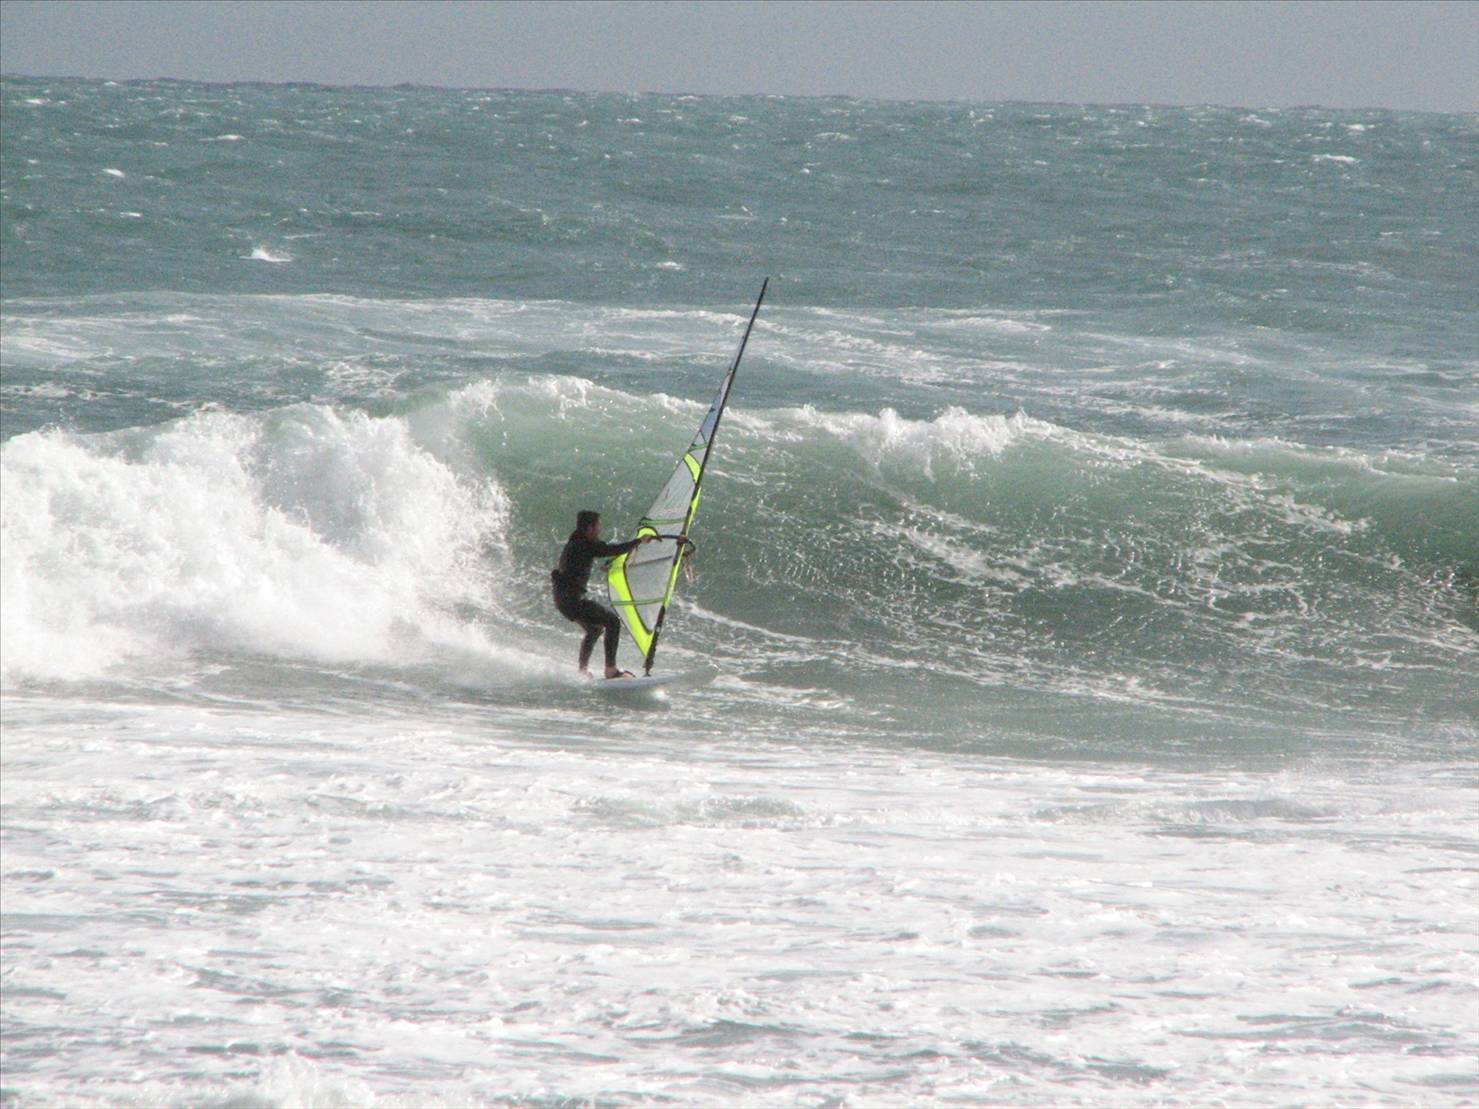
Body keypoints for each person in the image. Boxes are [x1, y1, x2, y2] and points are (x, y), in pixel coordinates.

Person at [551, 510, 658, 679]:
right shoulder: (583, 545)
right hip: (573, 601)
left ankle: (582, 670)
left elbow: (601, 551)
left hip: (563, 600)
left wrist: (611, 561)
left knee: (594, 629)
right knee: (612, 622)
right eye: (598, 525)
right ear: (590, 528)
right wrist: (639, 540)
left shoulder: (576, 542)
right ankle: (611, 670)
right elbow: (611, 549)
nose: (600, 529)